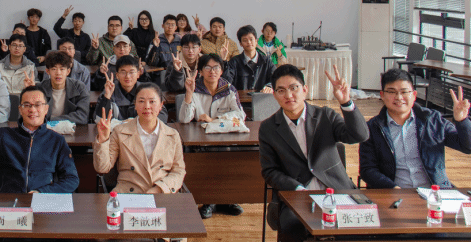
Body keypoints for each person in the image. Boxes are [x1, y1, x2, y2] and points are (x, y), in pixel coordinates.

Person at [259, 65, 368, 242]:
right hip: (297, 195)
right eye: (281, 90)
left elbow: (359, 135)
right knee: (291, 224)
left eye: (293, 88)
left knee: (356, 225)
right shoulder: (268, 128)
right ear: (275, 95)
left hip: (336, 191)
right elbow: (269, 171)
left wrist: (346, 103)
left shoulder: (325, 115)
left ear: (305, 90)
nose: (288, 95)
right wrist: (297, 189)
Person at [359, 68, 471, 189]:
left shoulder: (433, 120)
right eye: (391, 92)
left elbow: (467, 147)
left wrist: (462, 120)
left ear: (414, 95)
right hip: (394, 193)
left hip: (434, 192)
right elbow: (367, 169)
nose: (399, 97)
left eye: (404, 92)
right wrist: (392, 188)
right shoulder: (372, 128)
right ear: (382, 95)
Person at [0, 85, 80, 193]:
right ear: (20, 109)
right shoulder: (4, 135)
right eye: (27, 105)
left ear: (46, 109)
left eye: (38, 105)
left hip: (42, 200)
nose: (32, 110)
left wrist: (42, 192)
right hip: (9, 200)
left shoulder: (57, 140)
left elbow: (71, 179)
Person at [179, 53, 245, 219]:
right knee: (207, 158)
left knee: (231, 157)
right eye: (207, 68)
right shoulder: (196, 88)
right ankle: (209, 201)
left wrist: (215, 119)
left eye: (216, 68)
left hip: (225, 137)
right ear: (201, 71)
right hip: (201, 139)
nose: (212, 71)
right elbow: (184, 119)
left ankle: (226, 199)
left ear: (221, 70)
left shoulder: (228, 89)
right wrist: (189, 94)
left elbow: (240, 115)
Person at [93, 83, 186, 193]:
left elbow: (178, 171)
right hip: (128, 194)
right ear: (135, 105)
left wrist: (160, 189)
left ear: (161, 105)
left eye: (152, 101)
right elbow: (102, 168)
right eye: (141, 101)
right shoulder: (120, 132)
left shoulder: (172, 135)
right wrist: (103, 140)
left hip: (161, 194)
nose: (147, 106)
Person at [94, 55, 167, 123]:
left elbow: (162, 115)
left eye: (131, 72)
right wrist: (107, 97)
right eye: (123, 72)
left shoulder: (147, 91)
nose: (127, 76)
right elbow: (98, 119)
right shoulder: (109, 90)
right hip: (117, 131)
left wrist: (138, 123)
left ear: (138, 74)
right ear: (117, 75)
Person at [38, 51, 90, 124]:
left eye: (62, 69)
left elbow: (82, 116)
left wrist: (51, 120)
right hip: (45, 128)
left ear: (68, 71)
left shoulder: (79, 87)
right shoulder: (39, 88)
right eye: (54, 69)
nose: (58, 73)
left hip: (71, 128)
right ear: (47, 71)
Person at [224, 25, 275, 93]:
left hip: (261, 98)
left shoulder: (266, 61)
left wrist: (269, 86)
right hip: (240, 99)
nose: (249, 42)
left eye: (251, 39)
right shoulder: (234, 62)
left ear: (256, 41)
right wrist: (223, 60)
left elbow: (276, 78)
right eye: (245, 40)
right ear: (240, 44)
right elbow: (226, 82)